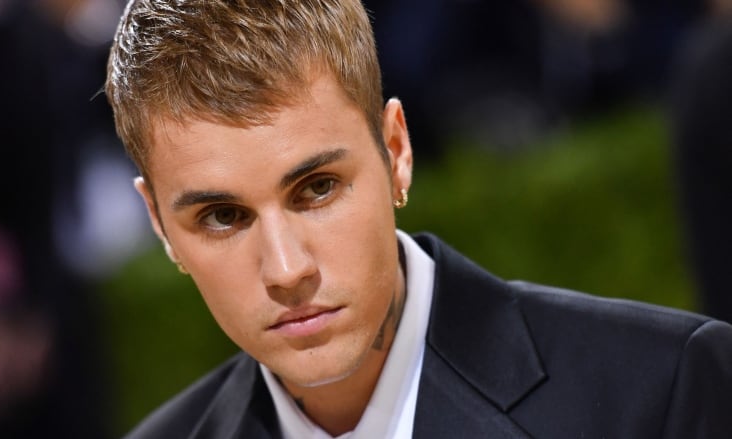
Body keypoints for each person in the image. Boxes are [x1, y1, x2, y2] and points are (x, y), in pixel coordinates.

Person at [104, 1, 732, 437]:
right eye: (221, 216)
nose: (287, 268)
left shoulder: (659, 391)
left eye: (317, 188)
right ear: (159, 224)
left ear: (396, 152)